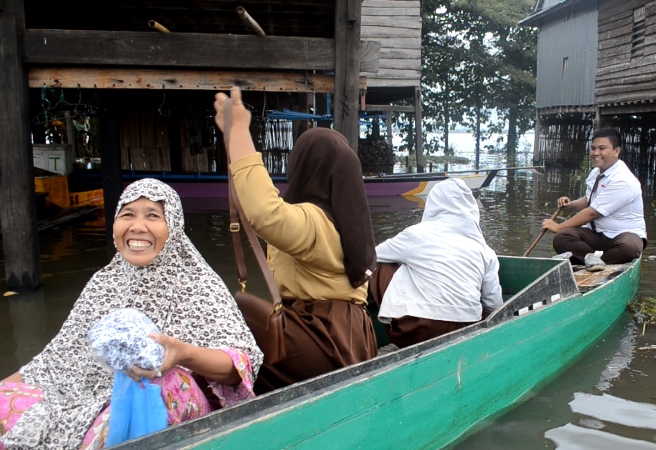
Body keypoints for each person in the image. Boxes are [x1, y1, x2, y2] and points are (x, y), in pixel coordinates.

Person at [0, 179, 263, 450]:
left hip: (162, 405)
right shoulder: (103, 282)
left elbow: (239, 366)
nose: (137, 226)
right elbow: (54, 361)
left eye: (153, 215)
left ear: (173, 226)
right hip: (86, 399)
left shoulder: (198, 284)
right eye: (127, 215)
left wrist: (183, 354)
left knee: (164, 383)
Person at [214, 88, 378, 393]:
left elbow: (265, 213)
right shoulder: (343, 222)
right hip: (347, 337)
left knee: (224, 344)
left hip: (320, 340)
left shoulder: (315, 223)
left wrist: (238, 132)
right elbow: (272, 207)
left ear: (302, 167)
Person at [369, 178, 503, 348]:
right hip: (465, 328)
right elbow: (494, 305)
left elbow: (371, 256)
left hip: (414, 330)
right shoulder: (485, 251)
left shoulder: (415, 235)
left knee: (386, 266)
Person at [541, 128, 647, 266]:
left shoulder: (623, 180)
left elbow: (591, 213)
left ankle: (598, 262)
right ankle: (594, 260)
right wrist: (571, 204)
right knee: (562, 238)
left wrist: (558, 227)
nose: (596, 153)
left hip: (622, 235)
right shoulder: (595, 173)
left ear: (616, 151)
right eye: (593, 148)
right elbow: (589, 200)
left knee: (629, 248)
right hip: (596, 234)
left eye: (602, 148)